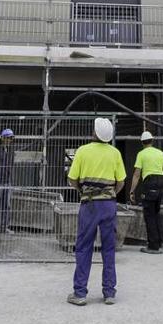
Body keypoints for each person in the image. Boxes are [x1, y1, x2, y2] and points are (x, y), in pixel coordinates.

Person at [65, 117, 125, 306]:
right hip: (108, 204)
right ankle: (109, 293)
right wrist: (111, 193)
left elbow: (72, 178)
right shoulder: (115, 153)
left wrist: (82, 191)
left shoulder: (83, 151)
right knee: (108, 248)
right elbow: (121, 181)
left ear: (94, 133)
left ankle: (80, 293)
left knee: (84, 248)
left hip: (89, 204)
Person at [127, 130, 163, 254]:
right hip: (160, 183)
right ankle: (161, 242)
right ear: (152, 140)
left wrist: (132, 191)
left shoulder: (141, 154)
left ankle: (153, 246)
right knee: (156, 213)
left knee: (149, 215)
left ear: (142, 143)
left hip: (149, 183)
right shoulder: (160, 153)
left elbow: (137, 174)